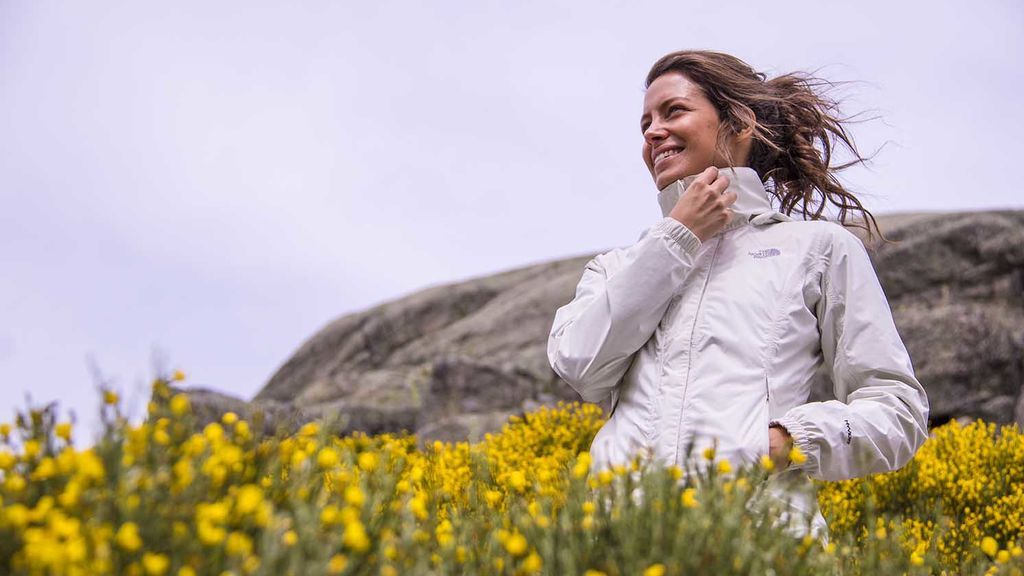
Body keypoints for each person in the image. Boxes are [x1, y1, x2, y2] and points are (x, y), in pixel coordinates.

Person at [546, 50, 930, 539]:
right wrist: (678, 237)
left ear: (740, 122)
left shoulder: (818, 249)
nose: (652, 132)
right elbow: (580, 364)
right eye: (645, 122)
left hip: (762, 545)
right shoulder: (616, 267)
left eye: (674, 111)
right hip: (620, 547)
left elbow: (898, 409)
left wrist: (786, 441)